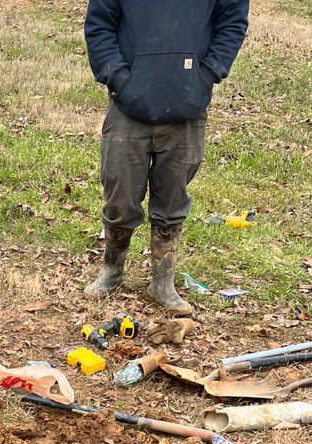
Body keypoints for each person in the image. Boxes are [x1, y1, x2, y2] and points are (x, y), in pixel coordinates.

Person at [84, 0, 249, 314]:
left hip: (187, 107)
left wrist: (208, 73)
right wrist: (119, 78)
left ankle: (162, 281)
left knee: (173, 196)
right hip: (127, 108)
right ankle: (112, 270)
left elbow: (232, 22)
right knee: (120, 190)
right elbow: (99, 25)